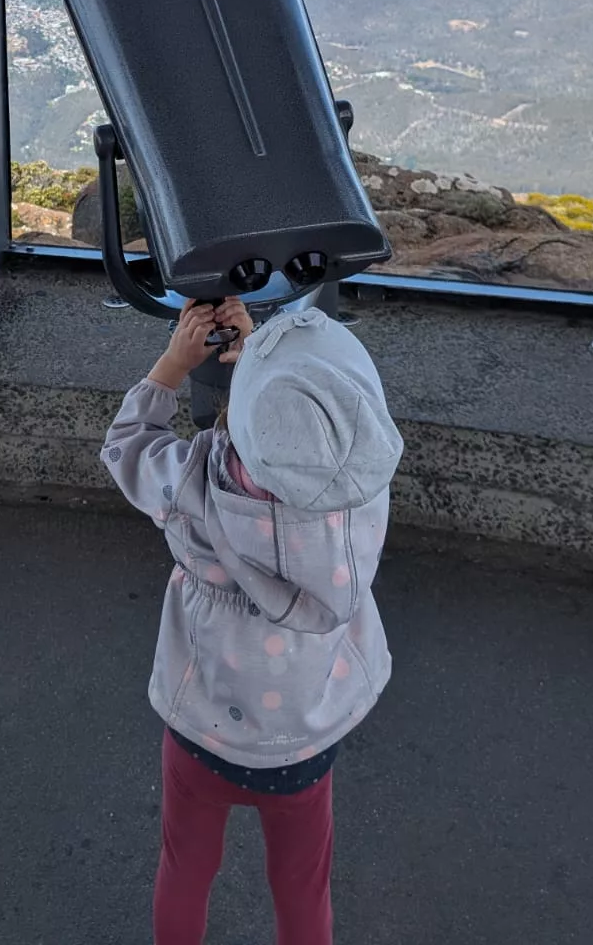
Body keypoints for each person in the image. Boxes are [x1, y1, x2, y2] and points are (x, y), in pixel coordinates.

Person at [101, 297, 403, 945]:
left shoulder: (192, 487)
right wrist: (269, 364)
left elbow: (125, 446)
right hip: (303, 747)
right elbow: (314, 435)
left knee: (185, 868)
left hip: (202, 733)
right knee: (302, 887)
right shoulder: (358, 507)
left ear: (241, 418)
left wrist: (173, 366)